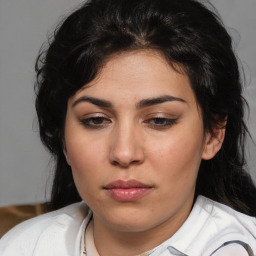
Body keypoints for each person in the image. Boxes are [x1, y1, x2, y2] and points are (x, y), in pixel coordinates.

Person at [1, 0, 256, 255]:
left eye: (159, 120)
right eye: (95, 120)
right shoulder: (21, 247)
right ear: (63, 137)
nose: (124, 153)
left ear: (213, 134)